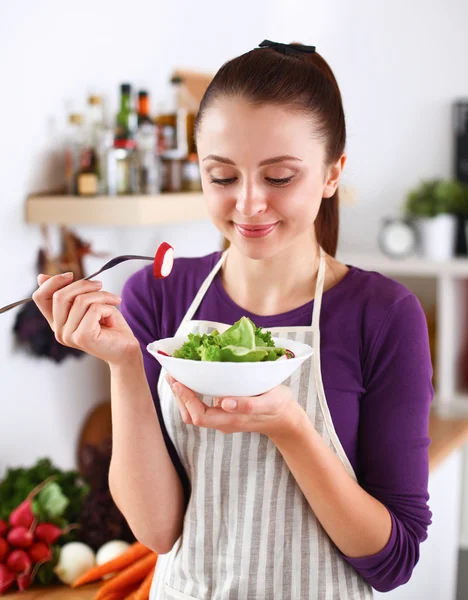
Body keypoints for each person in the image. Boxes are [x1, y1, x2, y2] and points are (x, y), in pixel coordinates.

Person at [32, 40, 433, 599]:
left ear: (333, 173)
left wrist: (290, 428)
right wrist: (124, 364)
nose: (247, 204)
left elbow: (393, 563)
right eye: (222, 177)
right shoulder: (158, 294)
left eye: (280, 177)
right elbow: (158, 531)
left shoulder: (383, 315)